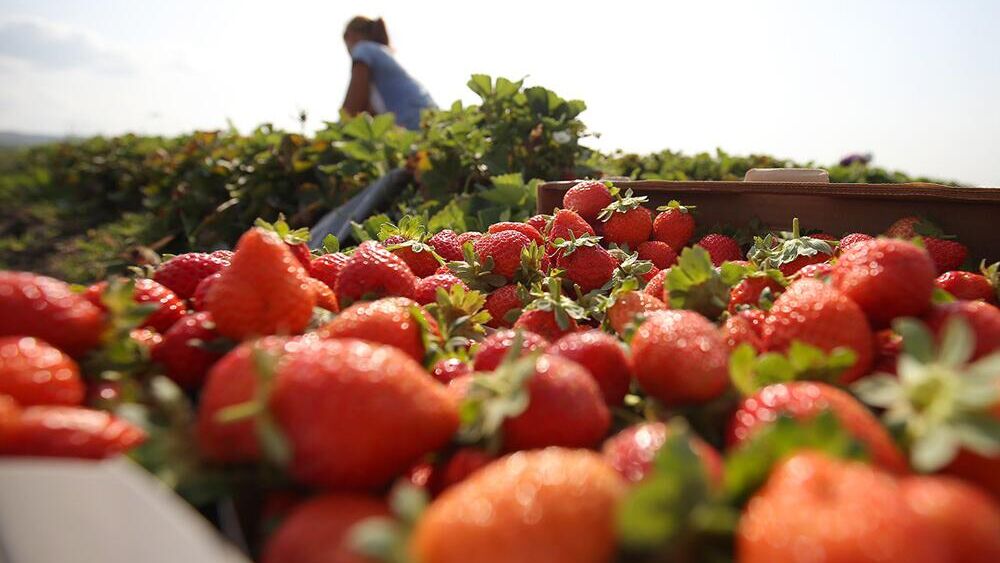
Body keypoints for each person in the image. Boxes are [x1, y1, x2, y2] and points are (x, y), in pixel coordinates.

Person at [341, 16, 436, 130]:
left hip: (414, 125)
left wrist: (333, 133)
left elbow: (352, 108)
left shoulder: (363, 48)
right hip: (433, 120)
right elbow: (368, 113)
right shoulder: (381, 52)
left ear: (350, 35)